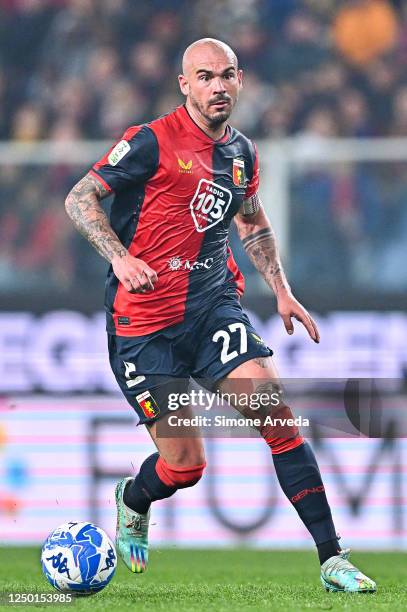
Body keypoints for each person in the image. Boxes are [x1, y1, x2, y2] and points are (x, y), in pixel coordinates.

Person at [65, 38, 376, 593]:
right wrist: (121, 256)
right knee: (185, 467)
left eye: (227, 75)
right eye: (205, 76)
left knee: (276, 416)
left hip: (212, 309)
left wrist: (281, 289)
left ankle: (333, 559)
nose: (218, 86)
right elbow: (79, 198)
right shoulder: (149, 141)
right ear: (184, 83)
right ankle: (133, 497)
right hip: (142, 327)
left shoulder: (243, 156)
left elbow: (252, 223)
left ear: (240, 80)